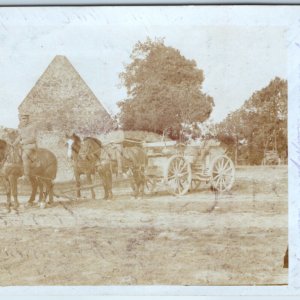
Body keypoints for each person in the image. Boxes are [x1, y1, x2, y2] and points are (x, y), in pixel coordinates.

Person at [13, 114, 37, 181]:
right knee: (15, 156)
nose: (24, 120)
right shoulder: (21, 128)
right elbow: (19, 137)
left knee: (24, 156)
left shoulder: (32, 127)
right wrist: (13, 144)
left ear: (28, 119)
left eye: (25, 118)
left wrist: (23, 142)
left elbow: (33, 138)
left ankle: (26, 176)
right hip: (23, 146)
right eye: (22, 119)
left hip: (30, 146)